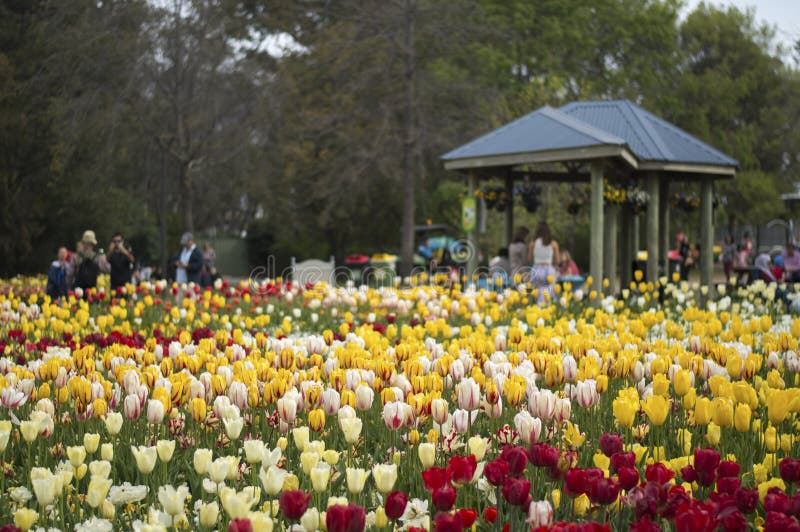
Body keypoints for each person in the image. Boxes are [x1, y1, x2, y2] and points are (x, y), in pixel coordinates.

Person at [528, 221, 559, 303]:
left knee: (536, 291)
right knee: (549, 291)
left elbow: (529, 258)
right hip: (548, 269)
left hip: (536, 269)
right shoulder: (553, 244)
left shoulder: (533, 243)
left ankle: (537, 307)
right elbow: (557, 261)